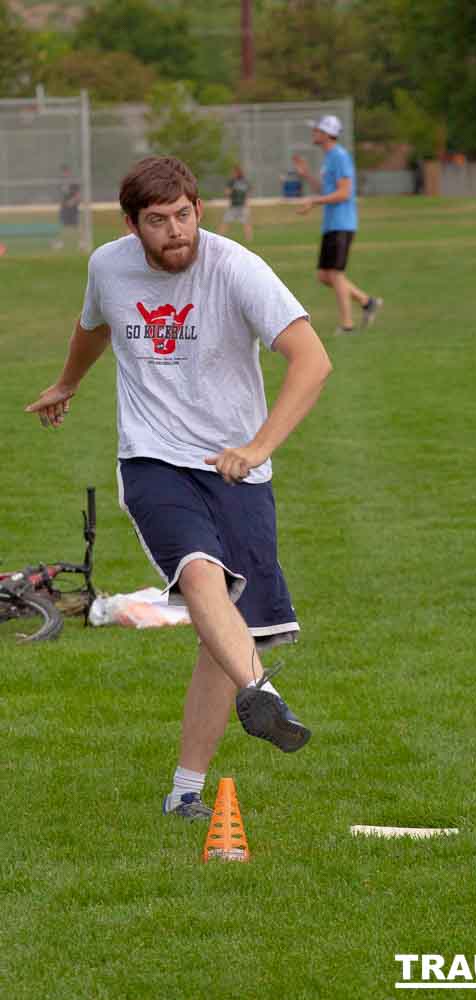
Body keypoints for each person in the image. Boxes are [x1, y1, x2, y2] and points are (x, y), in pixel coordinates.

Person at [26, 156, 332, 820]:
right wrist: (68, 381)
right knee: (201, 577)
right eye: (157, 221)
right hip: (154, 458)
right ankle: (264, 694)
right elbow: (94, 324)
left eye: (184, 215)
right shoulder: (109, 267)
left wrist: (257, 448)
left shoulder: (236, 268)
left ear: (200, 210)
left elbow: (312, 358)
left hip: (239, 466)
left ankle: (185, 790)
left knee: (220, 634)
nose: (174, 232)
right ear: (133, 225)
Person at [292, 114, 382, 334]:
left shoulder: (340, 156)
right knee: (324, 275)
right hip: (331, 224)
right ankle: (366, 302)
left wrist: (314, 202)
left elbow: (343, 193)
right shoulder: (330, 157)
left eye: (317, 130)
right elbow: (327, 191)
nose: (314, 133)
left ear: (326, 134)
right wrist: (307, 176)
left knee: (335, 274)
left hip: (342, 223)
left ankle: (347, 325)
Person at [220, 164, 252, 243]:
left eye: (234, 172)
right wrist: (229, 192)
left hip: (242, 206)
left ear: (238, 172)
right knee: (225, 222)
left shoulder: (244, 181)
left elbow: (248, 192)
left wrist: (247, 203)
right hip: (233, 206)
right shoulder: (231, 181)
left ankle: (249, 239)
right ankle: (219, 238)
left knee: (246, 223)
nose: (233, 174)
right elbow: (227, 192)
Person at [53, 165, 81, 251]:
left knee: (76, 225)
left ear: (69, 172)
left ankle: (81, 242)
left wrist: (72, 202)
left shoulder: (73, 182)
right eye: (63, 172)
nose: (64, 174)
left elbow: (78, 194)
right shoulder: (61, 183)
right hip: (64, 207)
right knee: (62, 225)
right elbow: (61, 195)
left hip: (72, 207)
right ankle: (60, 242)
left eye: (66, 172)